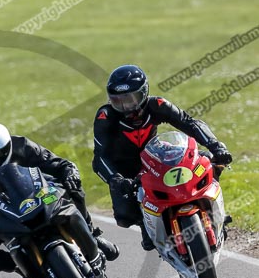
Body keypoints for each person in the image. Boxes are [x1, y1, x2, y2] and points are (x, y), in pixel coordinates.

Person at [0, 123, 119, 278]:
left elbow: (57, 164)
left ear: (7, 148)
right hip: (3, 215)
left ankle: (91, 233)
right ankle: (24, 269)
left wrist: (70, 172)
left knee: (72, 185)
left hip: (38, 195)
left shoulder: (22, 146)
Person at [93, 65, 232, 253]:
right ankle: (146, 225)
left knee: (207, 160)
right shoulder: (106, 116)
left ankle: (215, 208)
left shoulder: (156, 105)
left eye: (130, 99)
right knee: (124, 215)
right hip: (126, 168)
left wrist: (216, 145)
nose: (125, 106)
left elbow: (189, 123)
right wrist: (115, 179)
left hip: (156, 157)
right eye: (118, 101)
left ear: (143, 94)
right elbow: (100, 157)